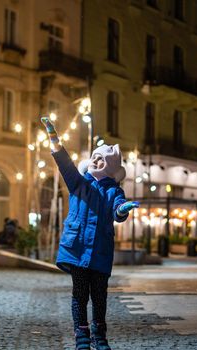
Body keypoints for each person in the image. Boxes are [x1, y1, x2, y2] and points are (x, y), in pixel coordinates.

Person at [42, 117, 138, 350]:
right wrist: (54, 138)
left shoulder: (114, 190)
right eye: (94, 157)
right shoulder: (78, 183)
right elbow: (64, 163)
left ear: (111, 168)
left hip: (99, 252)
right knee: (79, 293)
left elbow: (117, 210)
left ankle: (99, 335)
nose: (95, 161)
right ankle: (81, 336)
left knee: (99, 296)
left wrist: (122, 209)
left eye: (101, 159)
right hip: (76, 248)